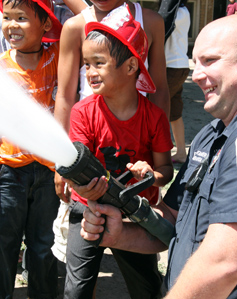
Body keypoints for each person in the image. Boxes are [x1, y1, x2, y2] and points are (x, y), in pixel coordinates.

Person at [81, 14, 237, 298]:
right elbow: (170, 220)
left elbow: (225, 263)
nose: (197, 74)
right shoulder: (211, 134)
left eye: (210, 60)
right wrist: (119, 234)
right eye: (195, 63)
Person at [62, 5, 173, 298]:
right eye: (86, 64)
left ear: (131, 67)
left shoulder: (155, 117)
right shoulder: (82, 112)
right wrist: (81, 185)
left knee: (146, 288)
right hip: (89, 208)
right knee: (76, 289)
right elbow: (79, 167)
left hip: (135, 215)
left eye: (98, 63)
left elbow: (166, 171)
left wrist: (151, 175)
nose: (90, 72)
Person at [0, 0, 62, 298]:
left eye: (22, 17)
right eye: (6, 17)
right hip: (7, 170)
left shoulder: (59, 56)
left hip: (49, 172)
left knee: (43, 245)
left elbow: (88, 23)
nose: (12, 24)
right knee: (3, 240)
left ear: (46, 24)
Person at [53, 0, 169, 146]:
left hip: (139, 138)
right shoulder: (74, 26)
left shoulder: (151, 22)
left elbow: (160, 89)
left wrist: (160, 143)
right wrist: (62, 153)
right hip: (89, 138)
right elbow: (65, 96)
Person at [163, 0, 190, 164]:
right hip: (181, 65)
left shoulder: (172, 13)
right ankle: (180, 151)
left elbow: (163, 25)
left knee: (157, 110)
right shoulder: (184, 11)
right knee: (174, 112)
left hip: (169, 66)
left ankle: (159, 153)